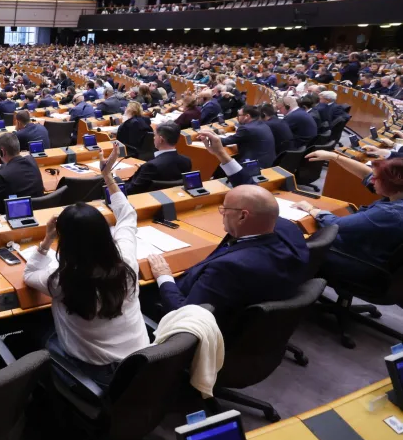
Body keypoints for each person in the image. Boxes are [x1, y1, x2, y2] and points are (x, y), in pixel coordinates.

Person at [146, 132, 311, 328]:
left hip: (191, 317)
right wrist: (221, 155)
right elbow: (254, 193)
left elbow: (185, 315)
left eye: (224, 209)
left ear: (243, 216)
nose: (221, 214)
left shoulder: (227, 268)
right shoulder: (288, 228)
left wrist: (163, 276)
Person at [23, 145, 148, 387]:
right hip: (142, 364)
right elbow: (128, 215)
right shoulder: (126, 261)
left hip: (95, 373)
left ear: (66, 243)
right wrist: (107, 176)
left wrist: (47, 239)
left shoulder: (61, 281)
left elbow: (29, 274)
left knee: (32, 332)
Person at [294, 151, 403, 293]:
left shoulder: (390, 213)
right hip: (379, 258)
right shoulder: (397, 194)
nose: (371, 181)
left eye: (377, 179)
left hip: (365, 265)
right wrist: (335, 157)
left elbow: (335, 224)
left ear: (392, 184)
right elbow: (367, 174)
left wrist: (312, 209)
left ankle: (289, 295)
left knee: (300, 244)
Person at [124, 122, 192, 195]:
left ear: (160, 139)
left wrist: (115, 180)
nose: (153, 138)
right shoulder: (186, 161)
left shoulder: (150, 166)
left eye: (155, 135)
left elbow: (130, 191)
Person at [0, 132, 45, 215]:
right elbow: (14, 167)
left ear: (2, 152)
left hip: (16, 214)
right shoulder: (32, 161)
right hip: (39, 213)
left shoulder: (1, 176)